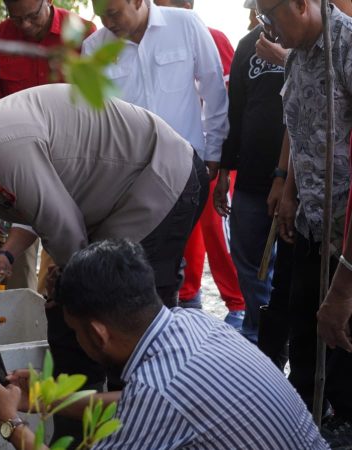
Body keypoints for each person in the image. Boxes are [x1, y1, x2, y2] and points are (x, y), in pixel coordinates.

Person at [0, 85, 206, 394]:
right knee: (69, 328)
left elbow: (62, 226)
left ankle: (140, 421)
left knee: (127, 326)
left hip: (158, 180)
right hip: (114, 206)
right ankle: (80, 433)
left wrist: (66, 288)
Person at [0, 239, 328, 449]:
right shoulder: (193, 323)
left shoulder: (158, 392)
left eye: (76, 332)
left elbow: (150, 402)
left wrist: (10, 423)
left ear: (97, 334)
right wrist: (50, 398)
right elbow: (133, 403)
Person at [83, 0, 230, 312]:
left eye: (113, 13)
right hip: (129, 179)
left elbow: (213, 87)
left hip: (185, 169)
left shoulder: (185, 25)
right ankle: (162, 327)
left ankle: (172, 326)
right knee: (139, 263)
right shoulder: (94, 48)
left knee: (165, 262)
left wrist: (214, 150)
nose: (108, 23)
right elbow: (94, 122)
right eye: (101, 15)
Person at [259, 0, 352, 426]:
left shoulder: (345, 45)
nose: (267, 27)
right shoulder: (297, 57)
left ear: (300, 4)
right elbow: (298, 131)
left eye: (271, 14)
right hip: (310, 227)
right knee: (304, 344)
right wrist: (289, 189)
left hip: (346, 237)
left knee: (343, 358)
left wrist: (344, 283)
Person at [0, 0, 96, 293]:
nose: (26, 26)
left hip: (73, 161)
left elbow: (98, 101)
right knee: (15, 264)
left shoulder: (84, 34)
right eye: (17, 20)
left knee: (65, 264)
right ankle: (22, 328)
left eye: (32, 17)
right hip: (19, 165)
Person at [150, 0, 245, 328]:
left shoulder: (214, 38)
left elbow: (230, 104)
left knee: (219, 238)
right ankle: (189, 310)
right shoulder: (149, 45)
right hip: (175, 165)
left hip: (213, 161)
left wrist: (221, 162)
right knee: (185, 242)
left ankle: (240, 311)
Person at [214, 20, 288, 346]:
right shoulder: (247, 46)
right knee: (247, 261)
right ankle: (261, 333)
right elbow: (236, 112)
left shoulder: (309, 46)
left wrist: (287, 59)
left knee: (288, 270)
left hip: (294, 184)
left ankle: (282, 336)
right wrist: (223, 175)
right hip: (249, 178)